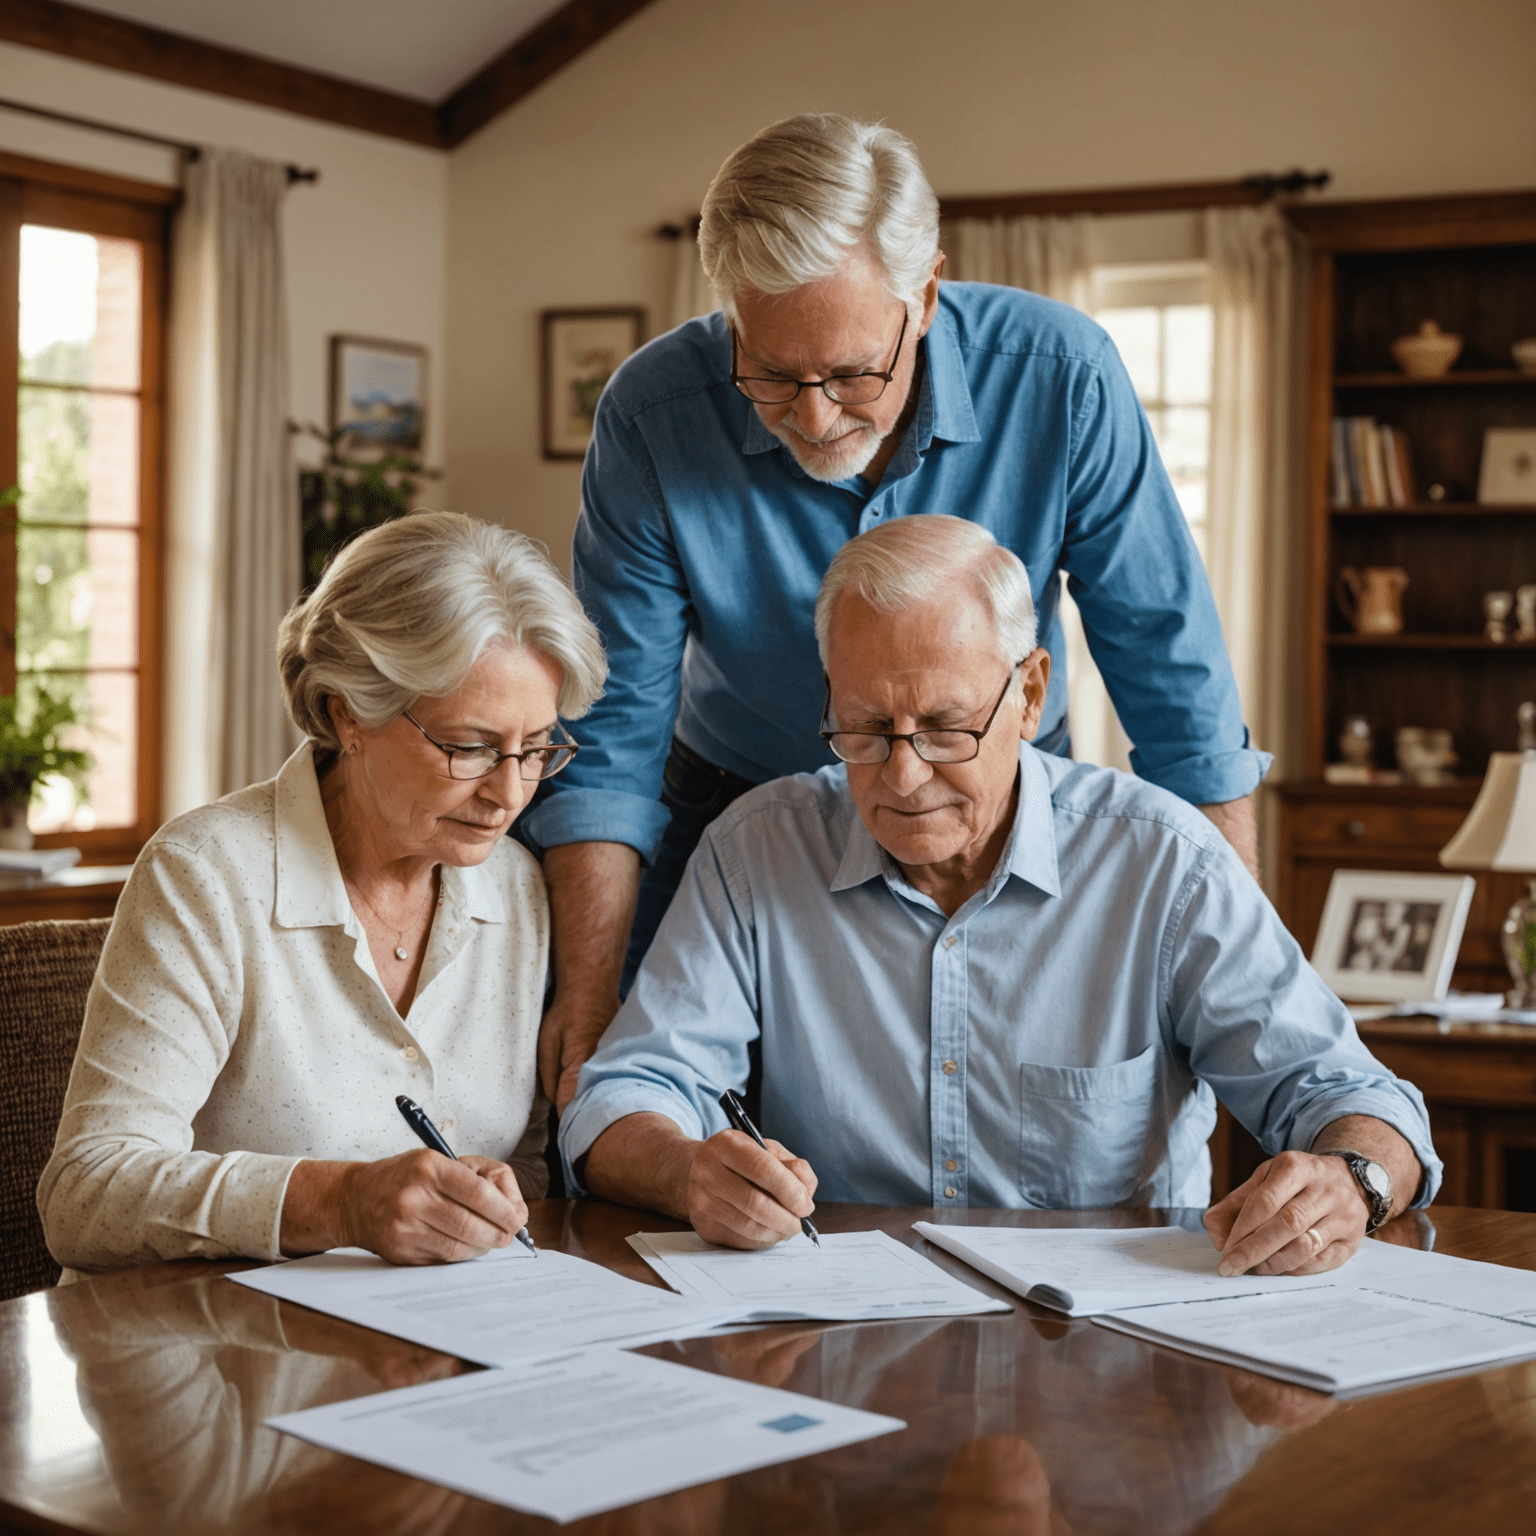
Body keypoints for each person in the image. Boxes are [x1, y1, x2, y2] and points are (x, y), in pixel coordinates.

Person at [524, 112, 1271, 1115]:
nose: (815, 417)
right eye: (771, 376)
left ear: (923, 296)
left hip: (995, 808)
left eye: (849, 375)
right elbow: (612, 738)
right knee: (656, 1119)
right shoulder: (652, 411)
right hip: (733, 809)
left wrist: (1243, 975)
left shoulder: (1060, 375)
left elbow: (1174, 675)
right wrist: (589, 992)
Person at [560, 516, 1440, 1280]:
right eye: (865, 729)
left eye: (945, 728)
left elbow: (1347, 1093)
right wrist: (688, 1171)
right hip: (842, 1347)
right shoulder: (755, 852)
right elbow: (625, 1093)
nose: (902, 777)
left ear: (1028, 694)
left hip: (1115, 1366)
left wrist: (1351, 1182)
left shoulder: (1163, 863)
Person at [39, 511, 606, 1272]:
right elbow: (86, 1193)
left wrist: (492, 1199)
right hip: (200, 1357)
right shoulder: (206, 876)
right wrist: (341, 1203)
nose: (509, 794)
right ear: (350, 714)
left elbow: (527, 1163)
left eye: (537, 748)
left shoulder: (517, 888)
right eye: (469, 748)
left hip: (419, 1349)